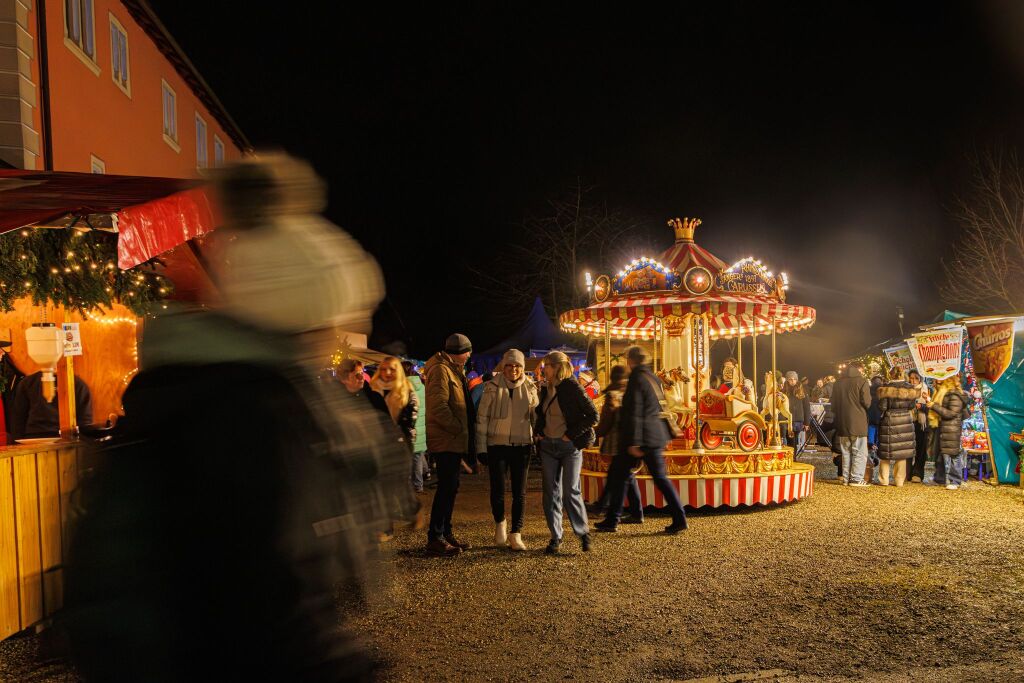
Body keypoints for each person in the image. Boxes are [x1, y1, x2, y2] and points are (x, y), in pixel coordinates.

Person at [62, 152, 414, 681]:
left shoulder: (208, 389)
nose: (332, 341)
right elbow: (269, 601)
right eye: (331, 323)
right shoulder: (256, 412)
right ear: (303, 321)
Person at [597, 346, 688, 534]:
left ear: (630, 360)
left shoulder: (637, 379)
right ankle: (614, 518)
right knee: (627, 475)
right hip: (654, 435)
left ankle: (612, 518)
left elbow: (636, 411)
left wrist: (635, 442)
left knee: (625, 476)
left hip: (641, 438)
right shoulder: (652, 377)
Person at [534, 351, 598, 554]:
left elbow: (593, 415)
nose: (543, 369)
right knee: (550, 493)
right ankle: (556, 537)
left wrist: (570, 435)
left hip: (569, 447)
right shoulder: (545, 388)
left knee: (570, 491)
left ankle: (583, 533)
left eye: (546, 366)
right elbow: (541, 413)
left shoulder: (572, 386)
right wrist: (538, 432)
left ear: (556, 367)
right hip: (548, 445)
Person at [474, 349, 538, 551]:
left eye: (517, 365)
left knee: (520, 492)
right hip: (497, 445)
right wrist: (481, 447)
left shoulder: (530, 387)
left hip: (522, 445)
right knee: (498, 490)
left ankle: (516, 532)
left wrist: (538, 439)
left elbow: (536, 417)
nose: (513, 369)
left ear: (522, 367)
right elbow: (482, 418)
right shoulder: (491, 387)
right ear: (503, 366)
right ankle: (500, 523)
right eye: (509, 365)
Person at [424, 333, 475, 556]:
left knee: (451, 488)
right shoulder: (440, 370)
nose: (470, 355)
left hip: (452, 439)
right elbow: (438, 407)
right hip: (446, 439)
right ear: (458, 352)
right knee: (446, 488)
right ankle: (436, 537)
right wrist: (458, 427)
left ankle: (446, 532)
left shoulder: (452, 369)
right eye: (467, 351)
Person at [588, 365, 643, 523]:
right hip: (630, 441)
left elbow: (606, 423)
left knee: (617, 477)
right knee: (625, 476)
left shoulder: (612, 395)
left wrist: (592, 433)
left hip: (618, 442)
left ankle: (609, 514)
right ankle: (635, 512)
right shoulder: (631, 392)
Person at [10, 370, 93, 440]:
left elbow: (85, 424)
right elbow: (18, 420)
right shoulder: (27, 383)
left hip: (66, 438)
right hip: (32, 439)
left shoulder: (77, 385)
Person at [927, 375, 971, 490]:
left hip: (951, 428)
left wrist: (934, 406)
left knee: (953, 455)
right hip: (945, 427)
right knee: (941, 453)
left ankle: (955, 480)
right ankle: (939, 478)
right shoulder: (946, 393)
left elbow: (951, 413)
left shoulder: (954, 394)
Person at [831, 361, 872, 486]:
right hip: (858, 422)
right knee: (859, 451)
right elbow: (867, 402)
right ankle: (856, 478)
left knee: (845, 451)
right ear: (859, 369)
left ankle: (845, 478)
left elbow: (833, 405)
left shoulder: (838, 383)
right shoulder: (862, 381)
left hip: (842, 422)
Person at [876, 366, 917, 486]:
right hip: (905, 419)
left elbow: (882, 407)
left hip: (890, 419)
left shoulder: (886, 388)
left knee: (886, 452)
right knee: (901, 451)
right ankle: (899, 481)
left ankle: (884, 480)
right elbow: (911, 406)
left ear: (891, 375)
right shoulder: (910, 388)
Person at [369, 356, 419, 451]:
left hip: (398, 446)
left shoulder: (407, 393)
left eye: (392, 369)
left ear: (398, 371)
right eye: (383, 369)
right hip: (376, 446)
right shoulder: (372, 390)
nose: (387, 372)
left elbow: (408, 426)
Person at [404, 361, 429, 493]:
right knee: (419, 453)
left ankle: (418, 485)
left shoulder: (405, 387)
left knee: (415, 456)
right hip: (421, 423)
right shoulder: (421, 386)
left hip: (412, 425)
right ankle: (426, 472)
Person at [907, 369, 931, 483]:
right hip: (908, 422)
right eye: (911, 378)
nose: (913, 381)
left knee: (921, 449)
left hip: (922, 424)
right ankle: (907, 472)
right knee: (908, 448)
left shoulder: (927, 389)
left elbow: (932, 406)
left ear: (920, 379)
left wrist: (922, 406)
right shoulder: (906, 390)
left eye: (916, 378)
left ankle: (917, 473)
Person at [783, 371, 810, 451]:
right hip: (787, 419)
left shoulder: (802, 391)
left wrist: (807, 422)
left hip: (798, 420)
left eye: (794, 379)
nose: (793, 381)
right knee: (790, 440)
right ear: (787, 380)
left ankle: (793, 456)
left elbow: (806, 407)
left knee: (793, 440)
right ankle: (792, 456)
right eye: (790, 379)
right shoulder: (783, 391)